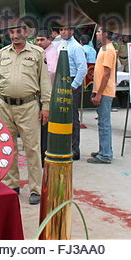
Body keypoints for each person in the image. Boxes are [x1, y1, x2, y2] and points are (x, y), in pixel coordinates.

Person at [0, 25, 51, 205]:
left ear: (26, 32)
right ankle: (11, 185)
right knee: (8, 147)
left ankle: (36, 189)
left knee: (32, 148)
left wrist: (45, 105)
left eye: (19, 31)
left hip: (28, 106)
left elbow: (45, 81)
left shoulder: (37, 53)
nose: (15, 35)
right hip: (4, 106)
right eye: (12, 32)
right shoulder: (2, 54)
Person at [88, 27, 117, 164]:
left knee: (104, 123)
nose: (97, 34)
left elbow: (106, 74)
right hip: (101, 90)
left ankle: (105, 154)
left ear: (105, 34)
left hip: (105, 92)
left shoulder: (109, 50)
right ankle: (104, 150)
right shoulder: (104, 48)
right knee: (102, 122)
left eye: (99, 32)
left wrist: (99, 93)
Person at [59, 26, 87, 160]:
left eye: (66, 29)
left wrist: (74, 86)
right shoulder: (60, 45)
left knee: (73, 118)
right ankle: (64, 145)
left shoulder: (76, 47)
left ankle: (75, 149)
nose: (63, 32)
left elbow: (82, 68)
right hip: (61, 82)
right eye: (61, 30)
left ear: (72, 31)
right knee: (62, 116)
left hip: (72, 82)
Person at [36, 30, 58, 165]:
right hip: (42, 92)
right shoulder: (42, 52)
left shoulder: (52, 52)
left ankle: (44, 157)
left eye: (42, 40)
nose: (39, 42)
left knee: (44, 126)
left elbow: (52, 71)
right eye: (37, 40)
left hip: (46, 93)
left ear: (49, 39)